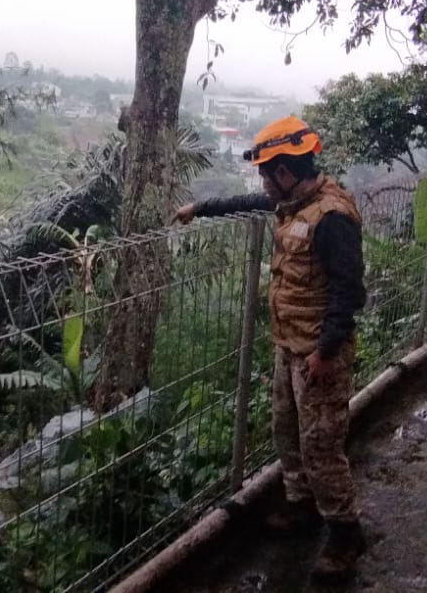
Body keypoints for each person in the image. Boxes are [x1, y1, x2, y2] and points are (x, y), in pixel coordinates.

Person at [172, 115, 367, 578]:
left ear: (285, 172)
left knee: (321, 445)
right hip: (289, 346)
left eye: (266, 172)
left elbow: (348, 293)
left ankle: (345, 534)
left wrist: (324, 351)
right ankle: (301, 507)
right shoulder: (294, 203)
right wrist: (198, 208)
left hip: (320, 353)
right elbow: (248, 201)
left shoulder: (331, 217)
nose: (262, 182)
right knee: (288, 433)